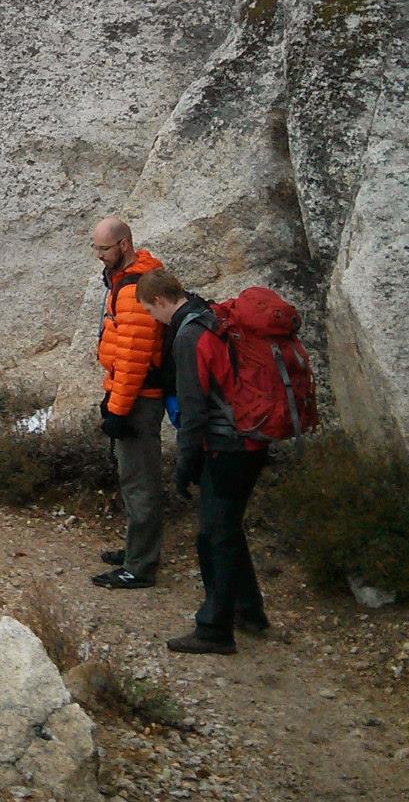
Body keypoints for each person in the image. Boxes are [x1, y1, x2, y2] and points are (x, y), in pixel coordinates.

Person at [139, 268, 270, 654]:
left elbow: (194, 411)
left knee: (213, 536)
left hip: (227, 446)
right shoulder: (208, 313)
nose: (152, 318)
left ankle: (215, 628)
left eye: (149, 310)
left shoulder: (188, 334)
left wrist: (184, 466)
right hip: (250, 439)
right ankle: (250, 612)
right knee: (226, 529)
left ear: (161, 301)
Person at [89, 215, 166, 590]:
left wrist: (117, 411)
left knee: (140, 481)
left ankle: (140, 566)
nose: (99, 255)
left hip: (138, 399)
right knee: (133, 477)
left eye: (104, 248)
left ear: (123, 245)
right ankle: (137, 550)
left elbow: (134, 357)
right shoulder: (128, 279)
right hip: (130, 393)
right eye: (96, 248)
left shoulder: (133, 289)